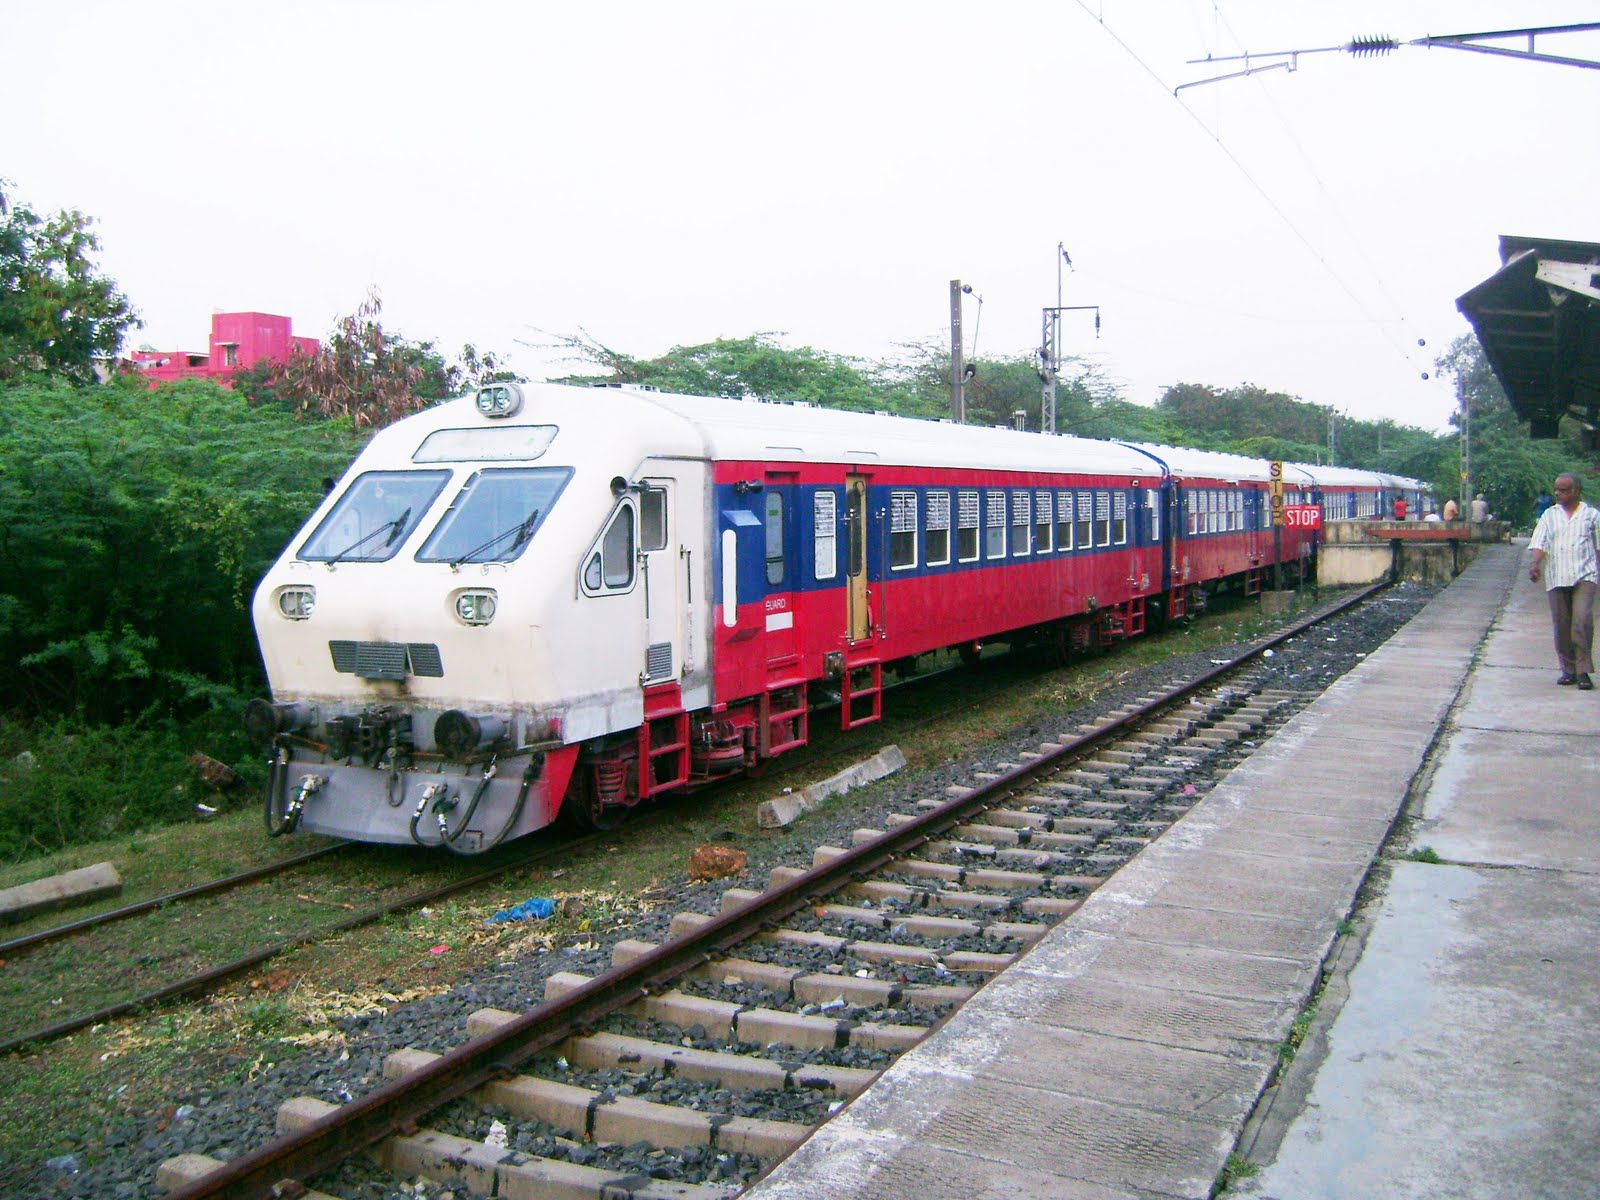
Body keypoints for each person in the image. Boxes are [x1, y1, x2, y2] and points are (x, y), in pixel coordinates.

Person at [1528, 472, 1600, 690]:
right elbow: (1541, 543)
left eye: (1563, 490)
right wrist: (1535, 565)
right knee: (1562, 624)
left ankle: (1583, 670)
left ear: (1576, 491)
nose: (1558, 493)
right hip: (1557, 575)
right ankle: (1568, 670)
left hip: (1585, 575)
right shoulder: (1550, 515)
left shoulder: (1592, 515)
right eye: (1556, 489)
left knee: (1581, 620)